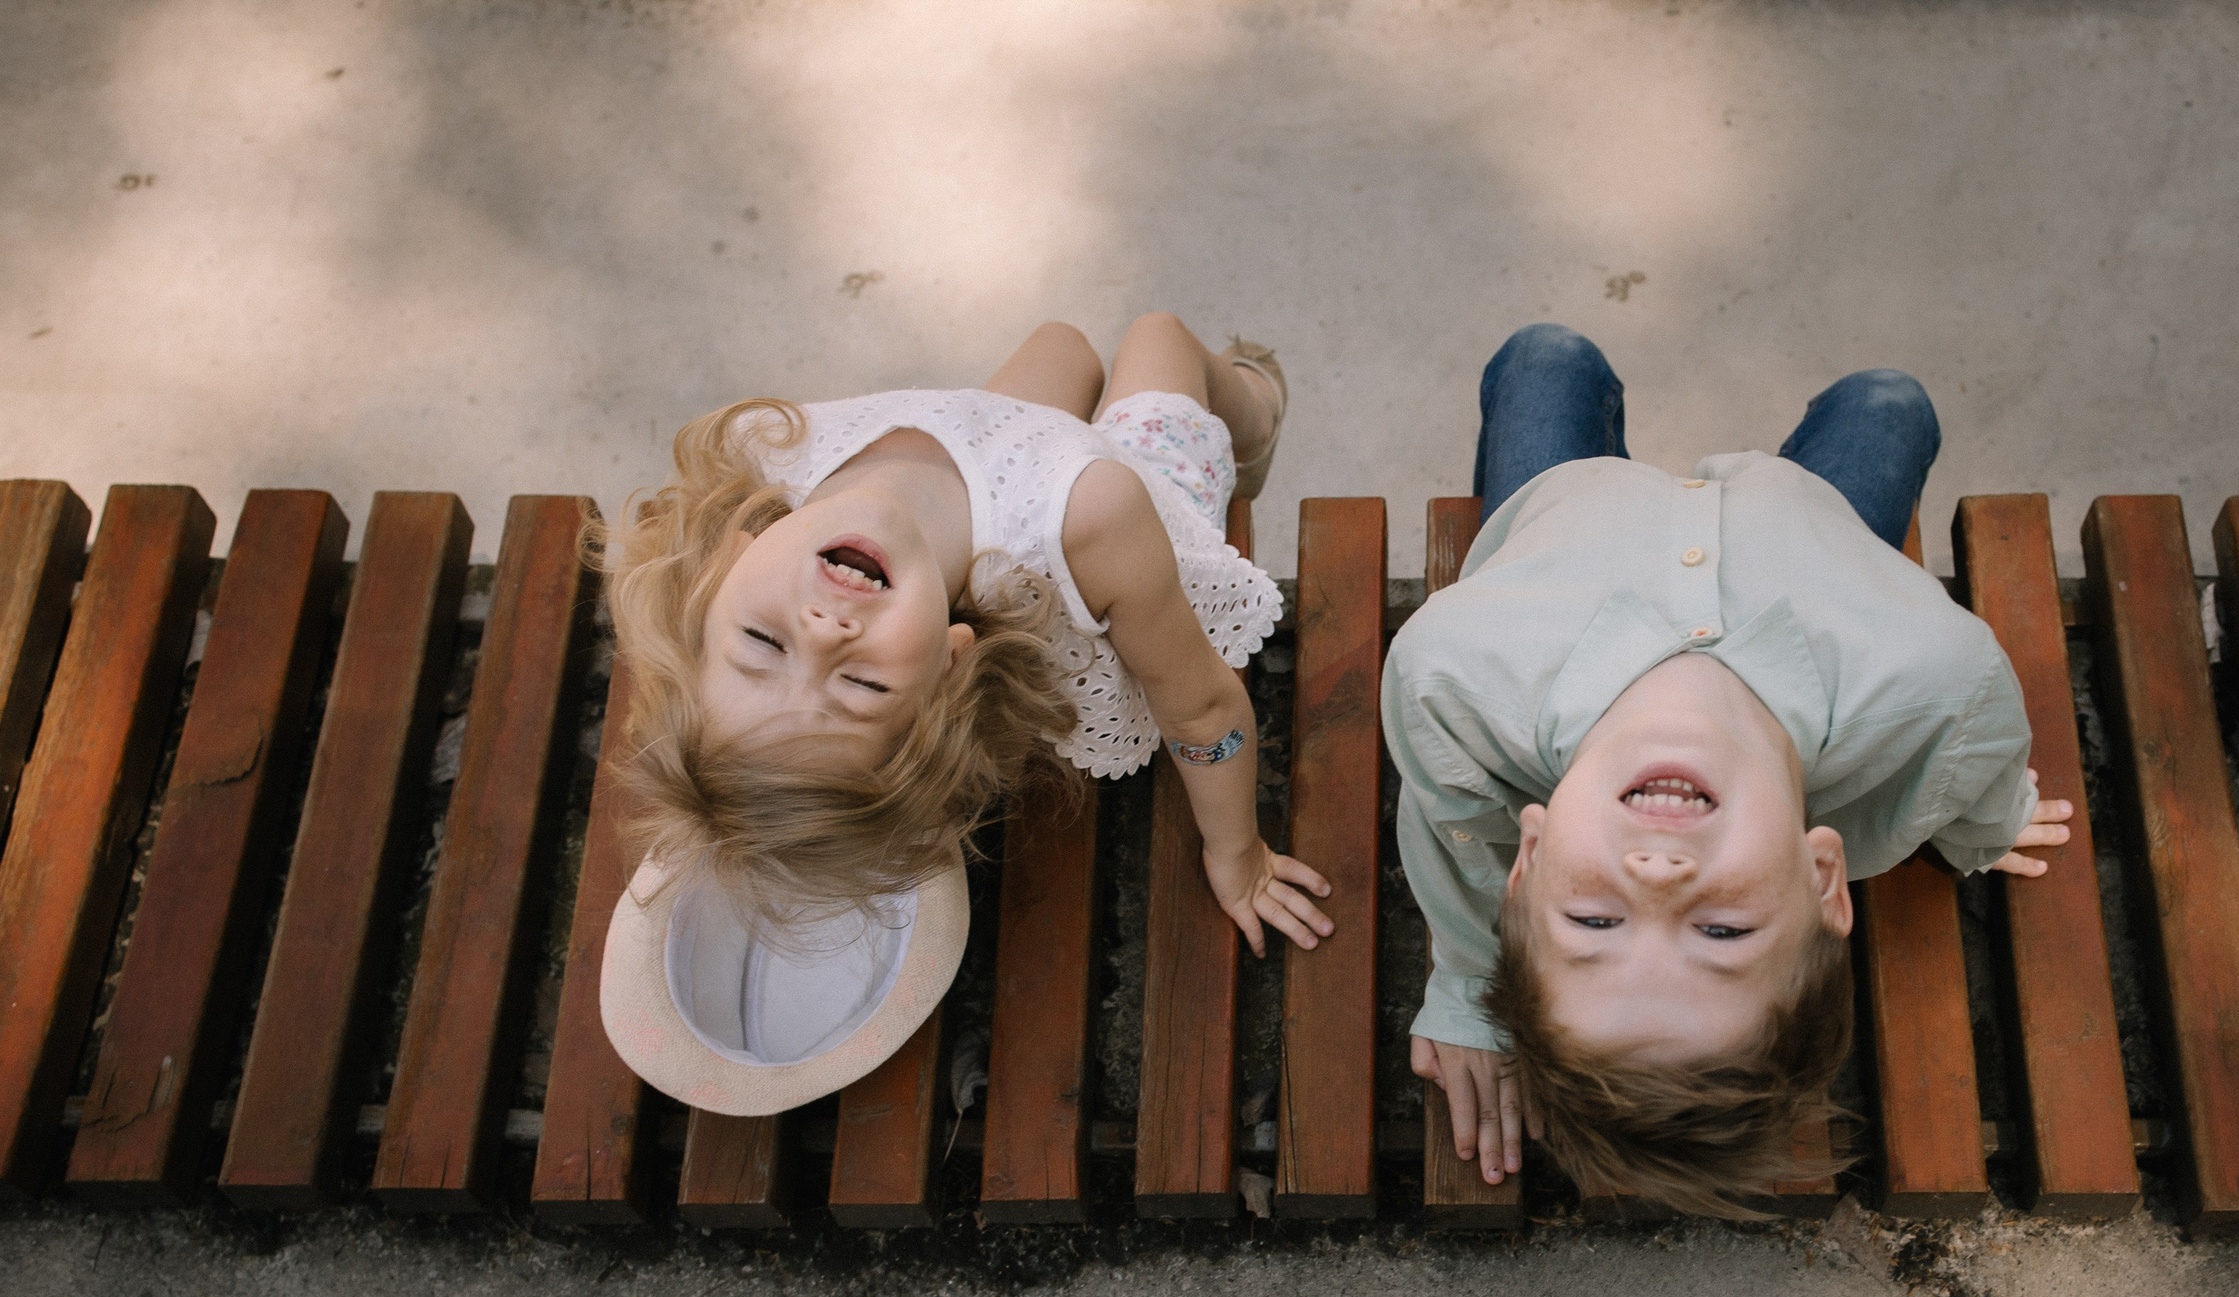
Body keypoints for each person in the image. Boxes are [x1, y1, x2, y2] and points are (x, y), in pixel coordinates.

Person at [1387, 324, 2073, 1211]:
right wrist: (1988, 823)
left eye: (1594, 920)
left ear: (1528, 861)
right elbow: (1980, 754)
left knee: (1549, 356)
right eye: (1721, 933)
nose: (1657, 874)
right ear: (1824, 882)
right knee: (1890, 399)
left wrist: (1465, 984)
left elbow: (1444, 823)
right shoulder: (1940, 679)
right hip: (1811, 523)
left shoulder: (1450, 675)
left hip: (1572, 500)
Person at [600, 313, 1334, 958]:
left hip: (998, 447)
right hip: (1134, 507)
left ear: (720, 572)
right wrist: (1238, 855)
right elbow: (1200, 710)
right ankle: (1254, 420)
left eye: (763, 642)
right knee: (1158, 335)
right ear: (952, 663)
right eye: (862, 684)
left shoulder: (764, 450)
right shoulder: (1094, 515)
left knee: (1062, 345)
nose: (824, 633)